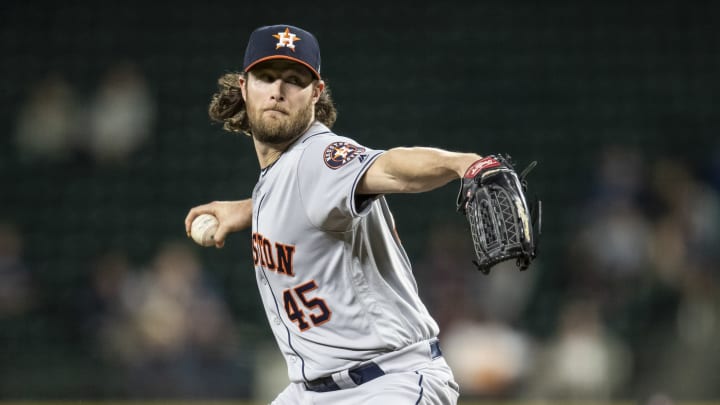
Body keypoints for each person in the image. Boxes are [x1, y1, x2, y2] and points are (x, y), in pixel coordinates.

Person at [185, 24, 486, 405]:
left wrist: (463, 164)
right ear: (243, 87)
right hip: (309, 392)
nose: (278, 90)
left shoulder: (321, 155)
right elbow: (299, 205)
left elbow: (392, 168)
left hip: (386, 385)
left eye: (294, 80)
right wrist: (246, 210)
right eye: (266, 77)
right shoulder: (279, 177)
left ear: (316, 93)